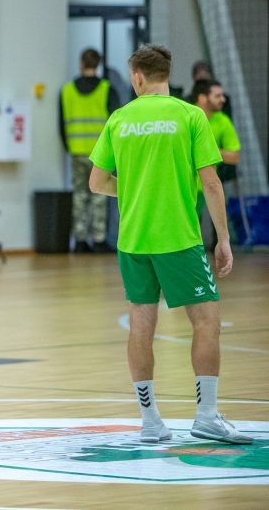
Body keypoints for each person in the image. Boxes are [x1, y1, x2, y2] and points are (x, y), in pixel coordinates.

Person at [89, 43, 251, 446]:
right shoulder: (190, 116)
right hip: (178, 238)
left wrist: (135, 191)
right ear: (165, 74)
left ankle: (149, 422)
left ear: (138, 77)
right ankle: (207, 415)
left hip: (132, 241)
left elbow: (96, 182)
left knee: (142, 325)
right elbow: (211, 183)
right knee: (206, 321)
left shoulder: (119, 119)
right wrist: (224, 239)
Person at [59, 47, 119, 253]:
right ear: (98, 64)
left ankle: (80, 240)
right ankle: (100, 238)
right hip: (100, 152)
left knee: (80, 195)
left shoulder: (67, 90)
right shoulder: (106, 89)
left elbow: (61, 123)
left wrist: (68, 145)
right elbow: (115, 121)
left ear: (81, 63)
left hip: (76, 150)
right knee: (99, 194)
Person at [191, 79, 240, 247]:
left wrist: (207, 149)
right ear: (203, 98)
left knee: (193, 233)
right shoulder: (184, 117)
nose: (223, 99)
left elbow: (234, 156)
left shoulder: (222, 121)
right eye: (217, 96)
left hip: (205, 186)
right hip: (180, 185)